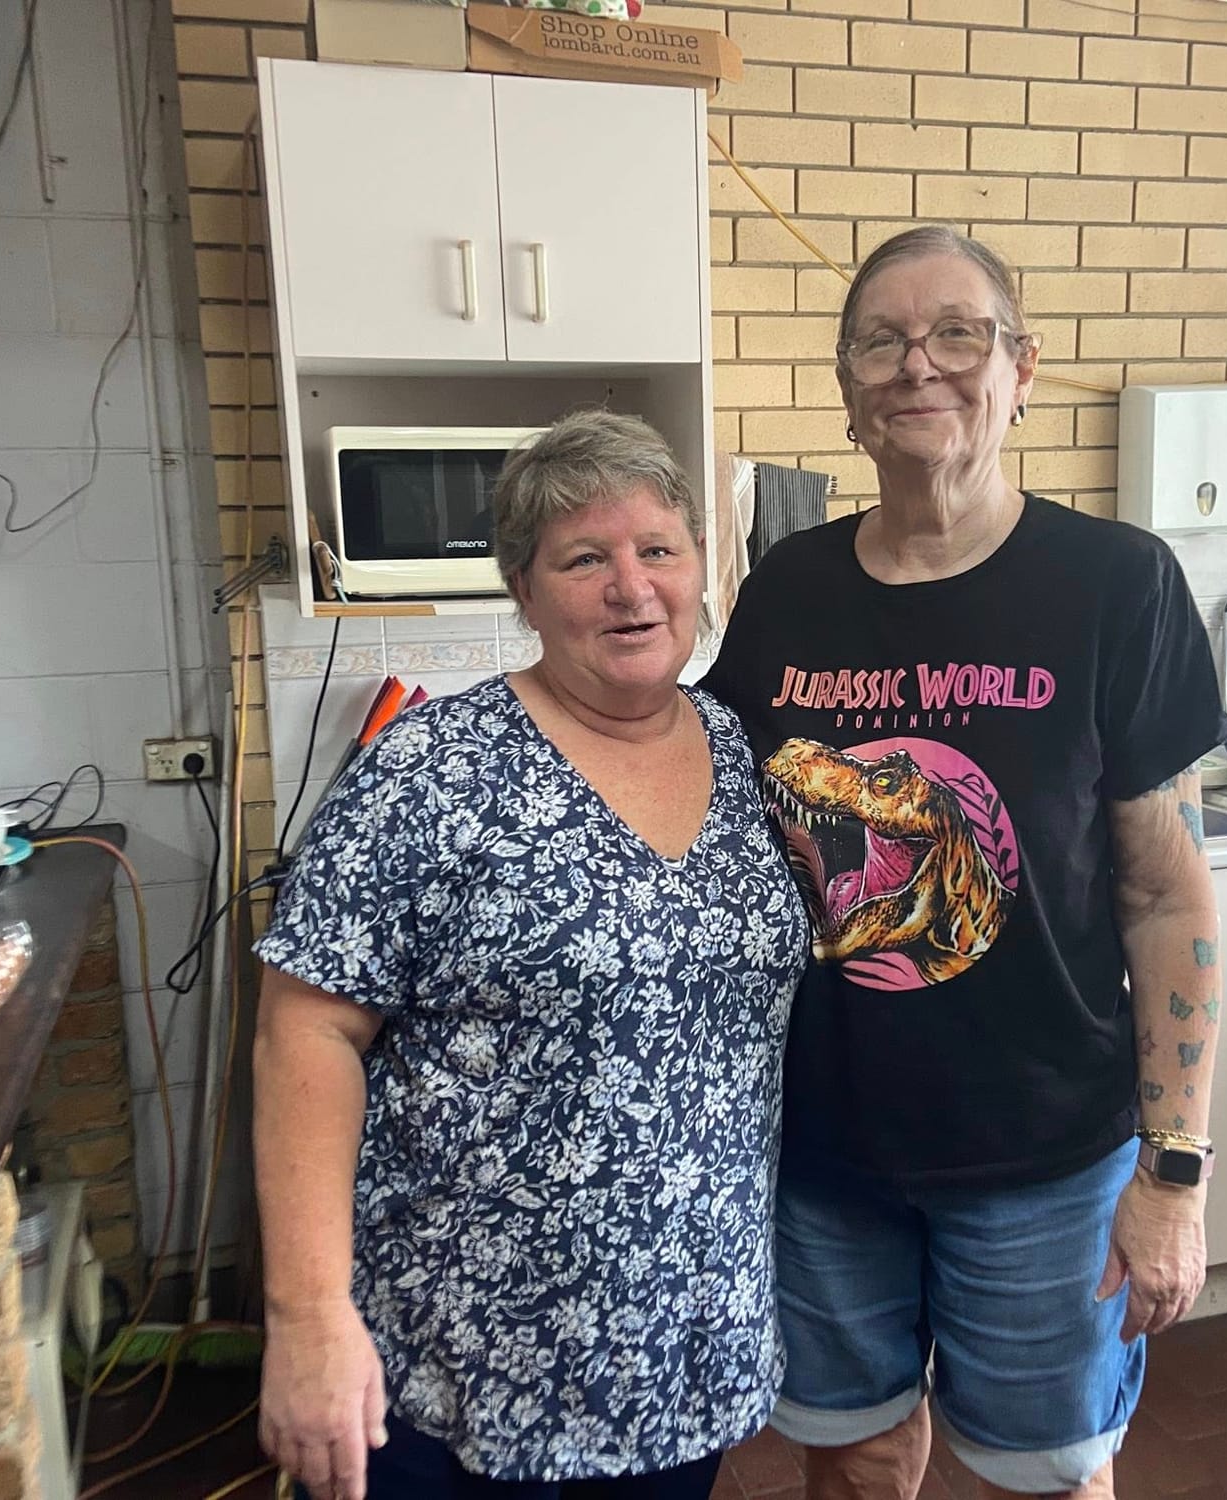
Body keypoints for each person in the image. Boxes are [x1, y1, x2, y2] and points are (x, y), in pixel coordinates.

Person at [702, 225, 1227, 1500]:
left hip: (1046, 1155)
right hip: (826, 1148)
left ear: (1019, 367)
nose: (916, 366)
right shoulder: (787, 590)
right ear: (845, 389)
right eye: (879, 342)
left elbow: (1163, 896)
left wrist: (1173, 1172)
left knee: (1047, 1476)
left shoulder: (1116, 584)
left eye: (956, 334)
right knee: (853, 1460)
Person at [252, 409, 809, 1500]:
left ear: (701, 568)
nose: (631, 588)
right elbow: (304, 1032)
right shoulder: (428, 770)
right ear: (524, 589)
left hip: (682, 1345)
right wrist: (307, 1315)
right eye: (583, 559)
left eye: (658, 550)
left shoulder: (748, 753)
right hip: (458, 1356)